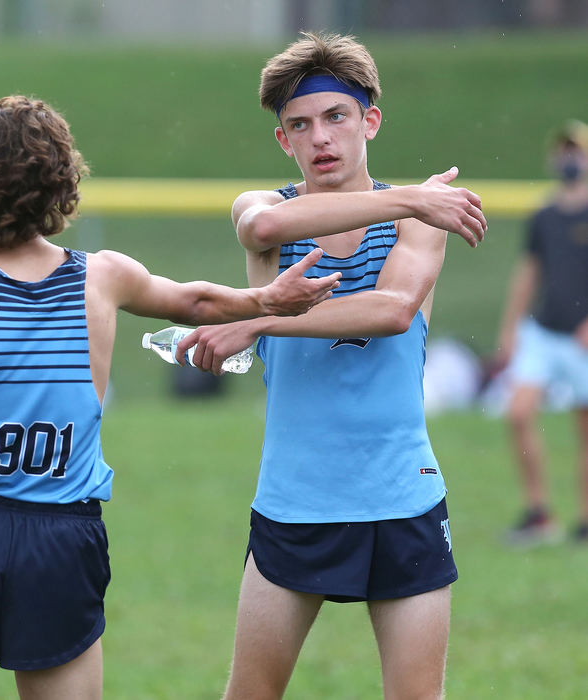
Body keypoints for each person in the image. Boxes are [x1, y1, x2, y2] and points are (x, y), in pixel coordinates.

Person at [0, 95, 341, 700]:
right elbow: (197, 300)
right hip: (61, 539)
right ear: (61, 185)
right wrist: (263, 300)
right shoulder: (103, 276)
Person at [176, 32, 486, 699]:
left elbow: (393, 309)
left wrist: (255, 321)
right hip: (297, 497)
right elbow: (261, 232)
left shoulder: (417, 220)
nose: (321, 137)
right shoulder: (268, 209)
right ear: (283, 141)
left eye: (337, 117)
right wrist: (409, 196)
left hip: (402, 494)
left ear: (369, 120)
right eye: (300, 125)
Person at [496, 119, 588, 546]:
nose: (570, 158)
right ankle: (539, 513)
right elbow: (528, 272)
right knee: (518, 413)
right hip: (545, 331)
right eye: (564, 150)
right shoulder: (544, 214)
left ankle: (584, 520)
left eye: (577, 150)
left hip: (583, 337)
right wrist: (510, 328)